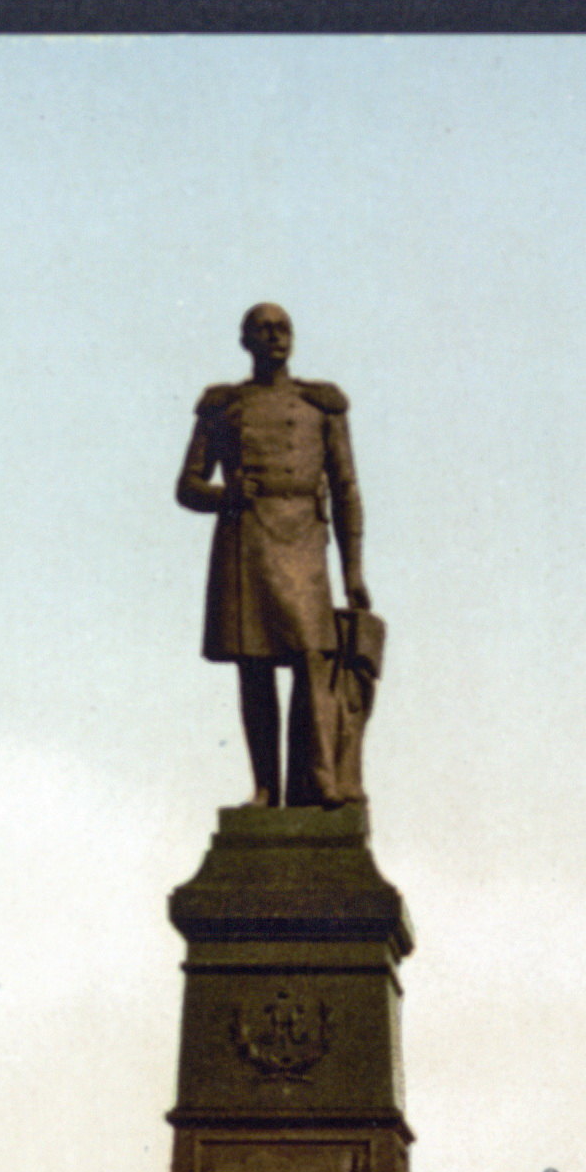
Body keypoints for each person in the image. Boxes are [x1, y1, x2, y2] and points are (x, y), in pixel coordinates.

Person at [179, 304, 371, 807]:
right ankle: (266, 786)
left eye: (283, 328)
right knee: (255, 666)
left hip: (304, 540)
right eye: (262, 329)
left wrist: (353, 571)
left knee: (312, 658)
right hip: (246, 540)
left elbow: (347, 488)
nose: (275, 337)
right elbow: (188, 487)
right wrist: (228, 494)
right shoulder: (223, 406)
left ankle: (318, 777)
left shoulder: (321, 405)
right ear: (245, 340)